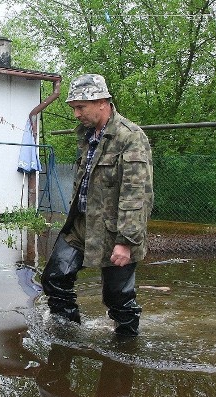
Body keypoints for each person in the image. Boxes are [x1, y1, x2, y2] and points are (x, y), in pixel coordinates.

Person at [41, 74, 153, 336]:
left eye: (81, 107)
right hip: (81, 224)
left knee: (118, 299)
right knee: (54, 279)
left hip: (116, 229)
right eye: (74, 108)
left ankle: (126, 349)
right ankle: (68, 334)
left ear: (102, 102)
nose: (76, 114)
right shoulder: (88, 135)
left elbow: (136, 193)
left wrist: (125, 241)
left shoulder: (130, 137)